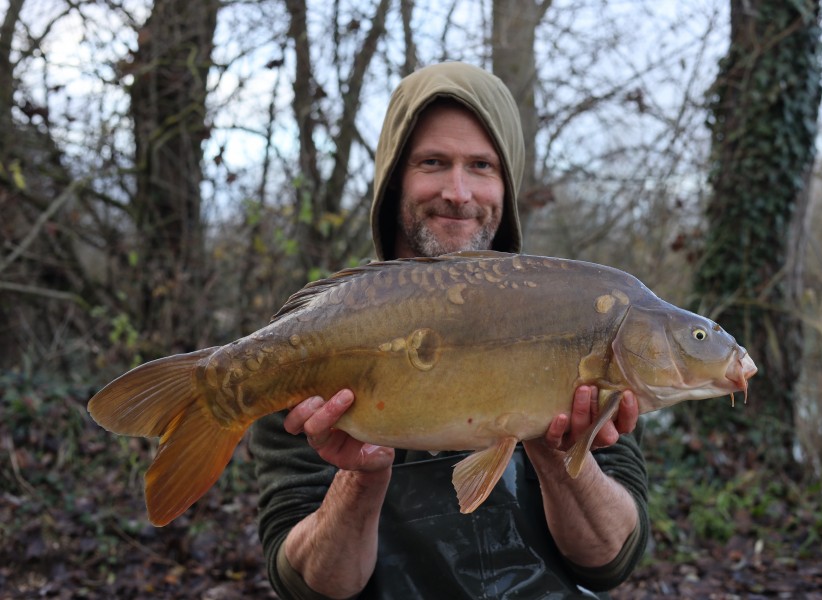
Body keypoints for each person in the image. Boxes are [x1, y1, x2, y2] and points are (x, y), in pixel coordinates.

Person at [250, 62, 649, 600]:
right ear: (394, 181)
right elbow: (309, 586)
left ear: (506, 186)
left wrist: (557, 452)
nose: (458, 192)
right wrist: (360, 476)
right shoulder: (313, 341)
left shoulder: (579, 321)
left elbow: (609, 561)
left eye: (481, 165)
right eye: (433, 162)